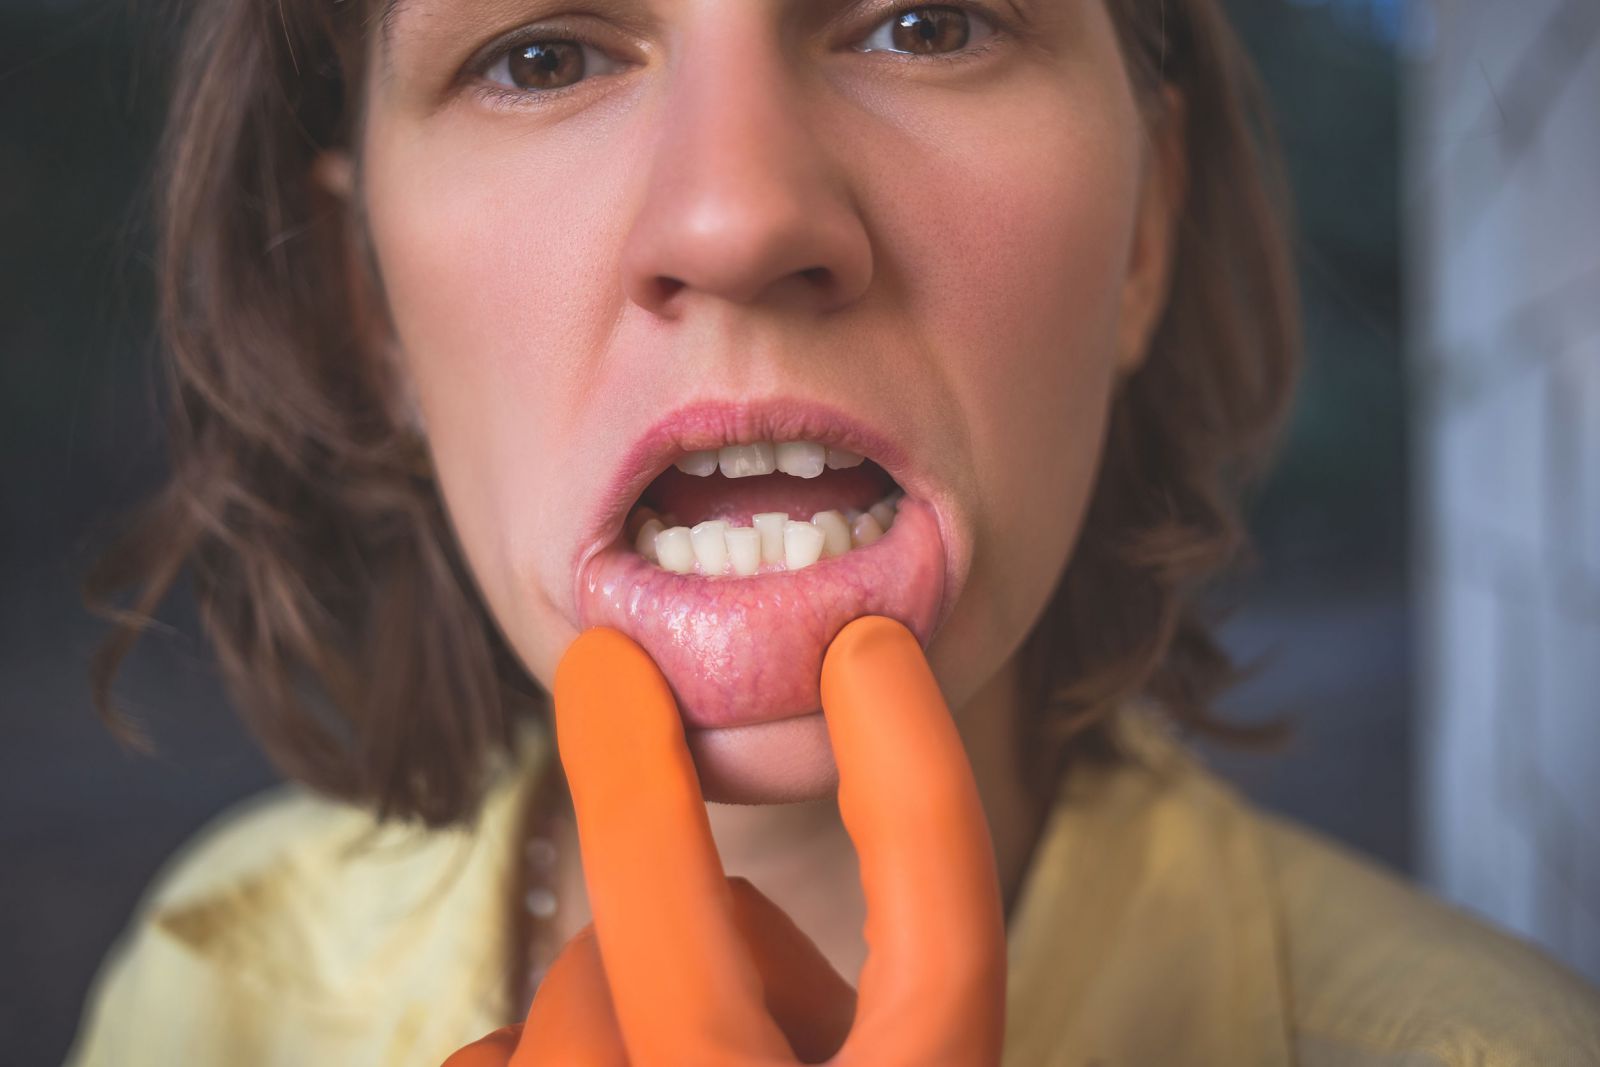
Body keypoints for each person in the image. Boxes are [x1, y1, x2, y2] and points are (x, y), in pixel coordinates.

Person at [67, 0, 1600, 1063]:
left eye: (926, 22)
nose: (736, 218)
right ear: (368, 305)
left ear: (1143, 232)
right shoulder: (204, 997)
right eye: (541, 55)